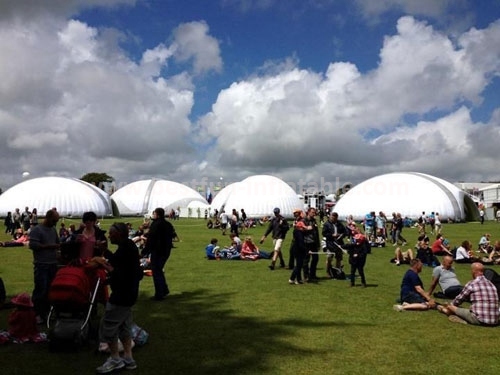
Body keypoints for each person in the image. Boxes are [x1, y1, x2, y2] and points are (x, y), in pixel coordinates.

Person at [93, 222, 143, 373]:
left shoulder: (126, 248)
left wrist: (102, 264)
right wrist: (105, 251)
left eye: (111, 233)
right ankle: (128, 358)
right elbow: (118, 261)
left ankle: (115, 359)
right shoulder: (127, 247)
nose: (109, 235)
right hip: (129, 294)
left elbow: (119, 272)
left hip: (122, 295)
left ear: (119, 234)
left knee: (108, 326)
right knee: (124, 327)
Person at [29, 209, 60, 323]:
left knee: (50, 290)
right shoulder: (37, 230)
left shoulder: (53, 229)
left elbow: (57, 243)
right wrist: (50, 246)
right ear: (48, 217)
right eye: (54, 220)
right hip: (41, 264)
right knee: (40, 290)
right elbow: (33, 245)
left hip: (52, 264)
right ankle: (36, 313)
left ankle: (46, 312)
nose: (55, 223)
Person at [143, 208, 177, 301]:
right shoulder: (168, 224)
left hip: (157, 251)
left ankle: (159, 294)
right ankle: (164, 289)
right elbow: (173, 235)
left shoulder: (155, 224)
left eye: (154, 214)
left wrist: (144, 251)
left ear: (157, 214)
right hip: (166, 251)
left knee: (156, 272)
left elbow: (151, 239)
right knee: (159, 270)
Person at [289, 209, 309, 285]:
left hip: (295, 247)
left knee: (298, 264)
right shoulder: (299, 232)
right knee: (299, 265)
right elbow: (301, 243)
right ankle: (292, 278)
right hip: (298, 248)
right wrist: (306, 250)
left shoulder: (297, 228)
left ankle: (298, 279)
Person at [322, 212, 346, 277]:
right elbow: (324, 233)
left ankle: (337, 272)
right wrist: (332, 235)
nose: (334, 219)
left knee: (338, 258)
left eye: (335, 218)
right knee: (329, 257)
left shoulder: (339, 224)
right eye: (332, 217)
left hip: (339, 244)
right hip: (330, 243)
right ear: (330, 217)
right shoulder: (326, 224)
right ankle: (328, 271)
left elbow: (345, 232)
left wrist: (340, 235)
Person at [303, 207, 320, 281]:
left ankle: (312, 274)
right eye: (313, 212)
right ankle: (306, 276)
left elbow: (316, 232)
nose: (314, 214)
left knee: (315, 259)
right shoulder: (304, 221)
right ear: (308, 212)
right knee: (306, 259)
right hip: (306, 243)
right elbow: (300, 230)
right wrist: (306, 228)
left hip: (314, 242)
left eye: (315, 212)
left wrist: (318, 243)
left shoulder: (314, 221)